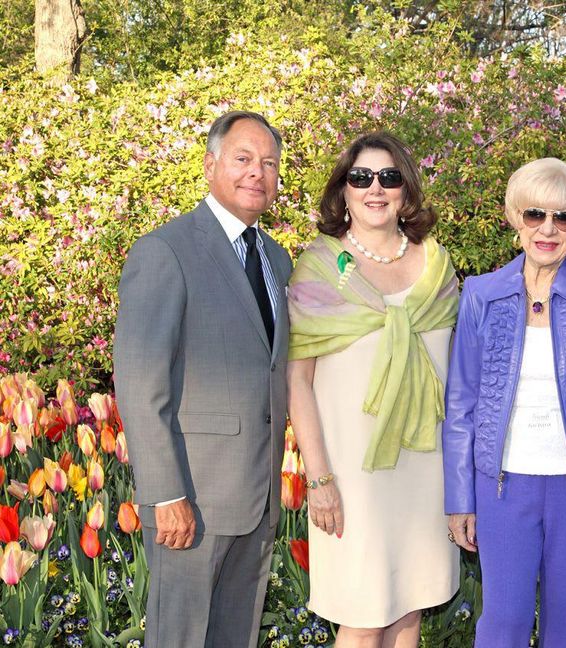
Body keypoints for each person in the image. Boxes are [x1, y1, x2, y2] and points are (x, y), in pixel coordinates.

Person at [443, 157, 566, 648]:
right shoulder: (480, 296)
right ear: (516, 218)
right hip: (502, 488)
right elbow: (461, 405)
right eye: (535, 215)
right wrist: (459, 496)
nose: (548, 229)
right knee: (502, 625)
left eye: (563, 217)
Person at [114, 110, 292, 646]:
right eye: (243, 159)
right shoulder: (165, 251)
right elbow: (141, 384)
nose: (256, 172)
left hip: (255, 497)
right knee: (179, 638)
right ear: (211, 164)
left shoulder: (276, 260)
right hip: (191, 499)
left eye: (268, 163)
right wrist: (166, 493)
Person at [286, 131, 460, 647]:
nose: (375, 189)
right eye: (361, 177)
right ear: (343, 191)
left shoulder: (436, 266)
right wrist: (318, 479)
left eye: (389, 177)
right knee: (362, 618)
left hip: (424, 468)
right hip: (349, 476)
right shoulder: (319, 267)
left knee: (409, 612)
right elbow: (298, 379)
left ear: (406, 190)